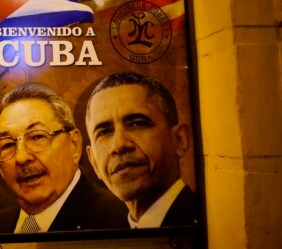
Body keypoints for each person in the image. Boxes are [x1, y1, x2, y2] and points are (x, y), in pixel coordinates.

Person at [0, 83, 127, 234]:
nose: (21, 157)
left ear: (74, 144)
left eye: (37, 137)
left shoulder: (120, 219)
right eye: (7, 145)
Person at [85, 72, 198, 228]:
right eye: (104, 132)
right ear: (94, 163)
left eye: (137, 124)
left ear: (180, 140)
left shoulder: (211, 225)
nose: (119, 145)